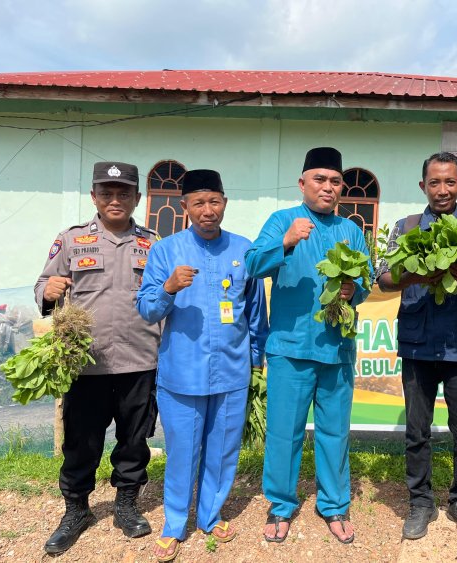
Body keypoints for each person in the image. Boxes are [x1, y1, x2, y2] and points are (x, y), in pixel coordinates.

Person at [136, 169, 268, 562]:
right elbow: (145, 309)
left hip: (231, 373)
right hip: (182, 373)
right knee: (182, 452)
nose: (207, 211)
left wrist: (257, 361)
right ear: (185, 207)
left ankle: (211, 515)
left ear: (224, 202)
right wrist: (169, 288)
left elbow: (257, 312)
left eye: (214, 202)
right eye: (198, 203)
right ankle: (175, 523)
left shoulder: (244, 250)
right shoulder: (165, 251)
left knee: (224, 450)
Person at [245, 147, 372, 545]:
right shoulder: (283, 220)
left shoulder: (351, 230)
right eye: (320, 179)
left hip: (336, 350)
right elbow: (251, 265)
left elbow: (366, 280)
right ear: (303, 184)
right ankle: (281, 506)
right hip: (290, 347)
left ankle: (334, 506)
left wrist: (354, 289)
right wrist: (284, 242)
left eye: (335, 181)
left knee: (335, 432)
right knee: (286, 432)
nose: (328, 187)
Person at [35, 161, 162, 554]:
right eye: (106, 192)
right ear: (94, 197)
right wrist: (50, 289)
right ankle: (76, 510)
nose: (115, 200)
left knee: (134, 440)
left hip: (141, 361)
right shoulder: (71, 240)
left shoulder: (153, 243)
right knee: (81, 441)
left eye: (124, 193)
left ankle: (126, 504)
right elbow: (43, 285)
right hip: (87, 363)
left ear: (137, 198)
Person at [376, 152, 457, 540]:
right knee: (417, 431)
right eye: (435, 182)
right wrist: (417, 274)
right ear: (423, 186)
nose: (442, 190)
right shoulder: (406, 227)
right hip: (418, 345)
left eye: (450, 182)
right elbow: (383, 278)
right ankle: (420, 503)